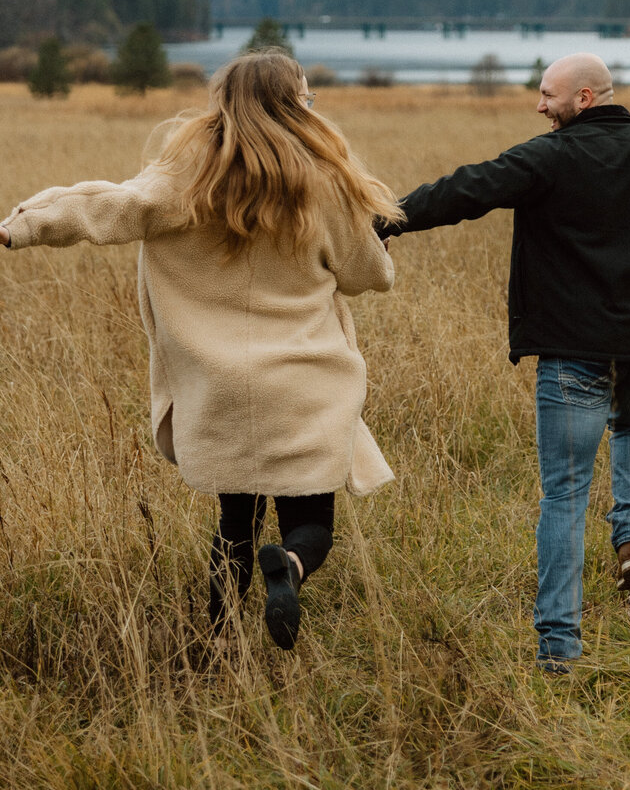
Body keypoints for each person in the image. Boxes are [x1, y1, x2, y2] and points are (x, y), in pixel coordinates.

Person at [377, 51, 630, 671]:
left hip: (571, 356)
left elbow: (466, 189)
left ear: (586, 98)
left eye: (547, 95)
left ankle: (559, 647)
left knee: (564, 494)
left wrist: (386, 220)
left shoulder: (549, 158)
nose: (539, 106)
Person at [0, 48, 396, 650]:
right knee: (311, 525)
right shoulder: (324, 185)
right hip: (306, 384)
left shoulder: (186, 180)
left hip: (223, 386)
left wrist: (22, 225)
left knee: (234, 526)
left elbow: (107, 205)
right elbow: (371, 274)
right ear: (296, 107)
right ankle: (288, 568)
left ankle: (215, 643)